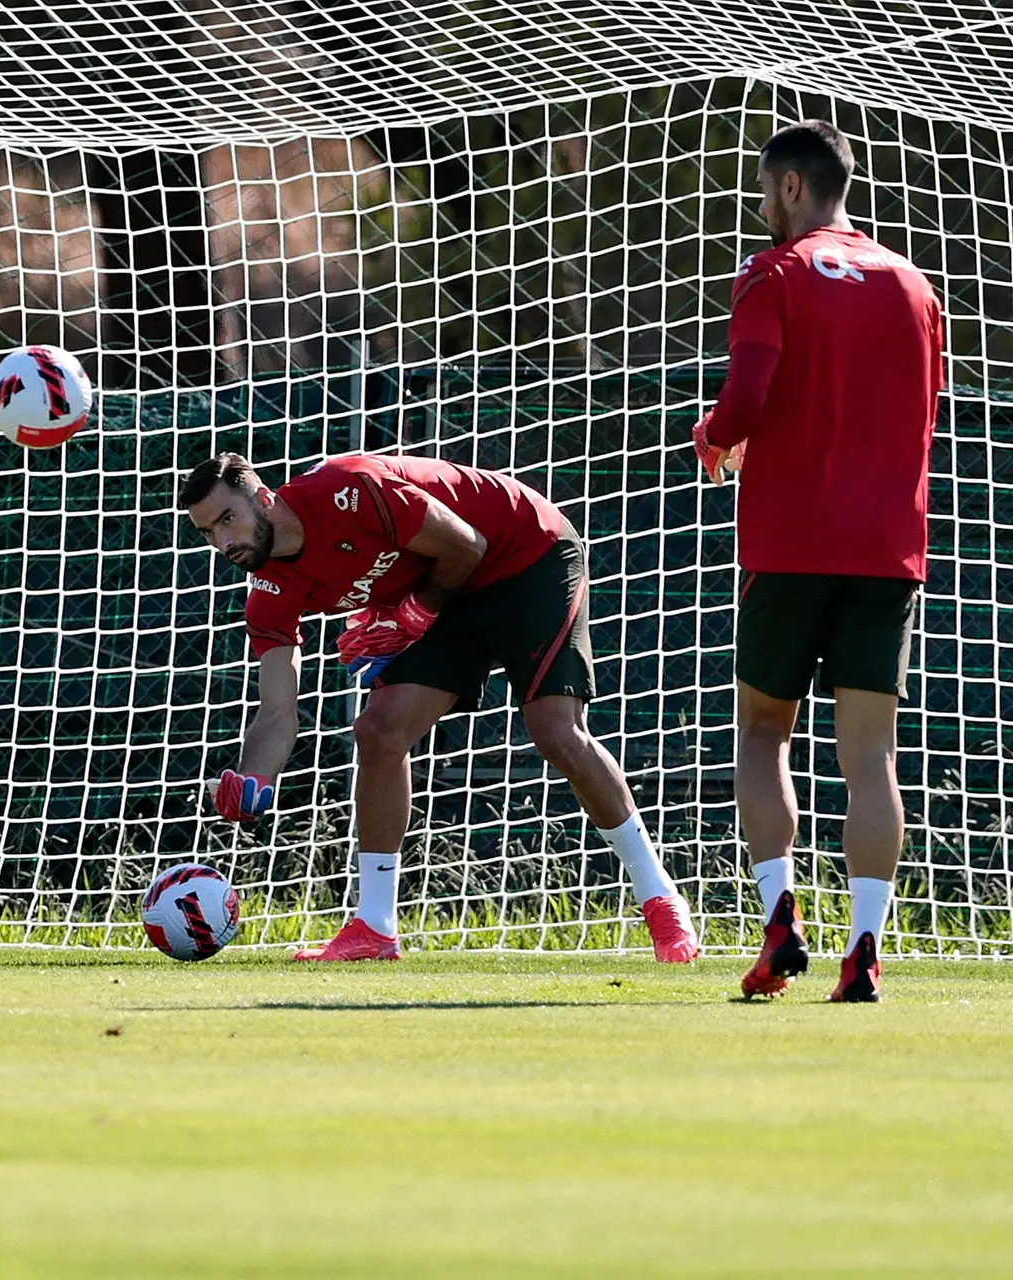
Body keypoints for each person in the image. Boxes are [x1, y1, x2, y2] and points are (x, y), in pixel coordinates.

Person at [181, 451, 699, 963]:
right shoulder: (269, 592)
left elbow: (466, 544)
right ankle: (375, 928)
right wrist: (252, 780)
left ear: (264, 500)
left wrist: (413, 612)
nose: (225, 541)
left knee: (555, 730)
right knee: (379, 730)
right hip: (442, 588)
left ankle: (661, 899)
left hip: (523, 552)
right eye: (208, 533)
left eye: (230, 519)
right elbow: (277, 708)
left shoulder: (350, 488)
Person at [693, 120, 943, 1003]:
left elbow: (748, 397)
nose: (764, 209)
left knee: (763, 731)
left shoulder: (774, 273)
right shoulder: (916, 286)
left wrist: (715, 439)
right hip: (887, 546)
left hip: (793, 541)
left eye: (766, 193)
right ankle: (867, 948)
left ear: (791, 188)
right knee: (870, 755)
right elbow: (924, 418)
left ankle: (780, 923)